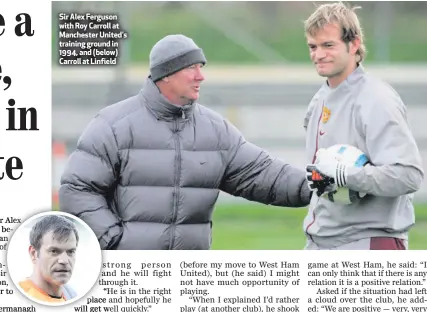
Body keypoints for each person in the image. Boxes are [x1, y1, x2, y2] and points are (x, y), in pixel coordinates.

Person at [59, 34, 312, 250]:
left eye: (201, 67)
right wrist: (115, 244)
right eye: (191, 68)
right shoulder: (112, 125)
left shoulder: (216, 130)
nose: (200, 76)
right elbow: (77, 189)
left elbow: (263, 174)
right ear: (166, 74)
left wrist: (316, 185)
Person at [302, 2, 424, 250]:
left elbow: (408, 175)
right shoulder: (319, 100)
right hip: (321, 242)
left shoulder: (377, 99)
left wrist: (346, 175)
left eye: (328, 45)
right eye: (313, 47)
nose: (318, 54)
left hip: (369, 242)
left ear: (354, 44)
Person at [19, 215, 78, 303]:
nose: (64, 261)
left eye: (70, 252)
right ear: (34, 254)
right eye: (54, 251)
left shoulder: (72, 295)